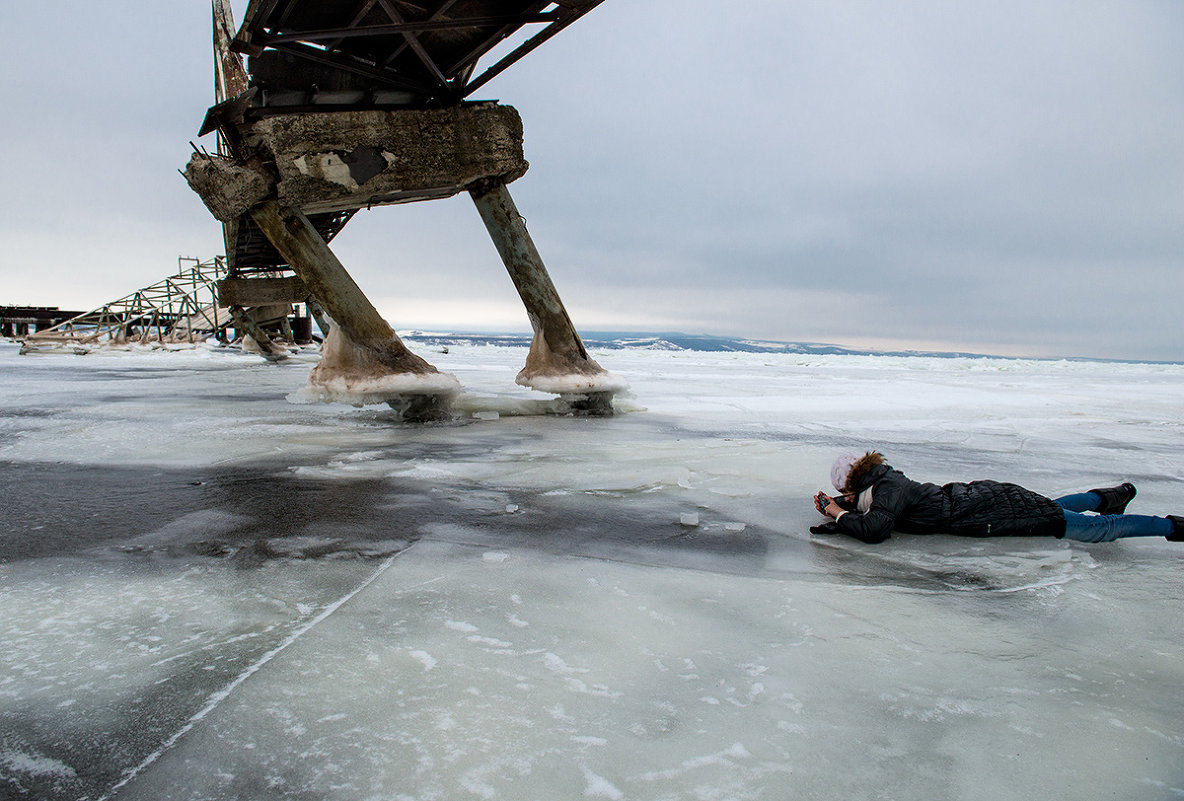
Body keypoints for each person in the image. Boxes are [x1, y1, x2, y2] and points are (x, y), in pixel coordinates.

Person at [812, 451, 1184, 545]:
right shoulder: (885, 483)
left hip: (986, 510)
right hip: (985, 501)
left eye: (846, 491)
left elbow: (877, 527)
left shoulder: (888, 488)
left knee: (1097, 531)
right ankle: (1106, 497)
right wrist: (841, 505)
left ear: (855, 481)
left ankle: (1172, 526)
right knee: (1046, 506)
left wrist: (838, 513)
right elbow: (877, 507)